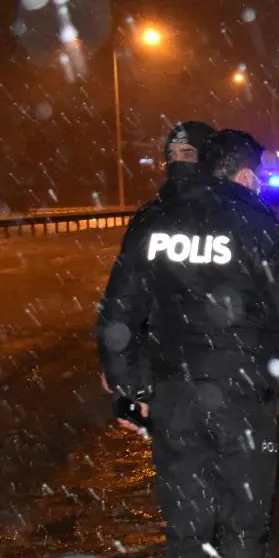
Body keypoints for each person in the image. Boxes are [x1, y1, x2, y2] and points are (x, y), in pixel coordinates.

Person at [96, 129, 279, 558]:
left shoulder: (152, 222)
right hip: (244, 396)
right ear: (243, 173)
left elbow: (118, 314)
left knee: (186, 533)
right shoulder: (255, 223)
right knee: (245, 529)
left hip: (174, 398)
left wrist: (129, 389)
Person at [106, 121, 215, 431]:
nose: (178, 162)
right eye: (172, 155)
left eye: (188, 153)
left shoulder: (235, 218)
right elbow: (123, 308)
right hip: (169, 380)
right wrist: (127, 383)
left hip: (231, 381)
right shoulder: (149, 220)